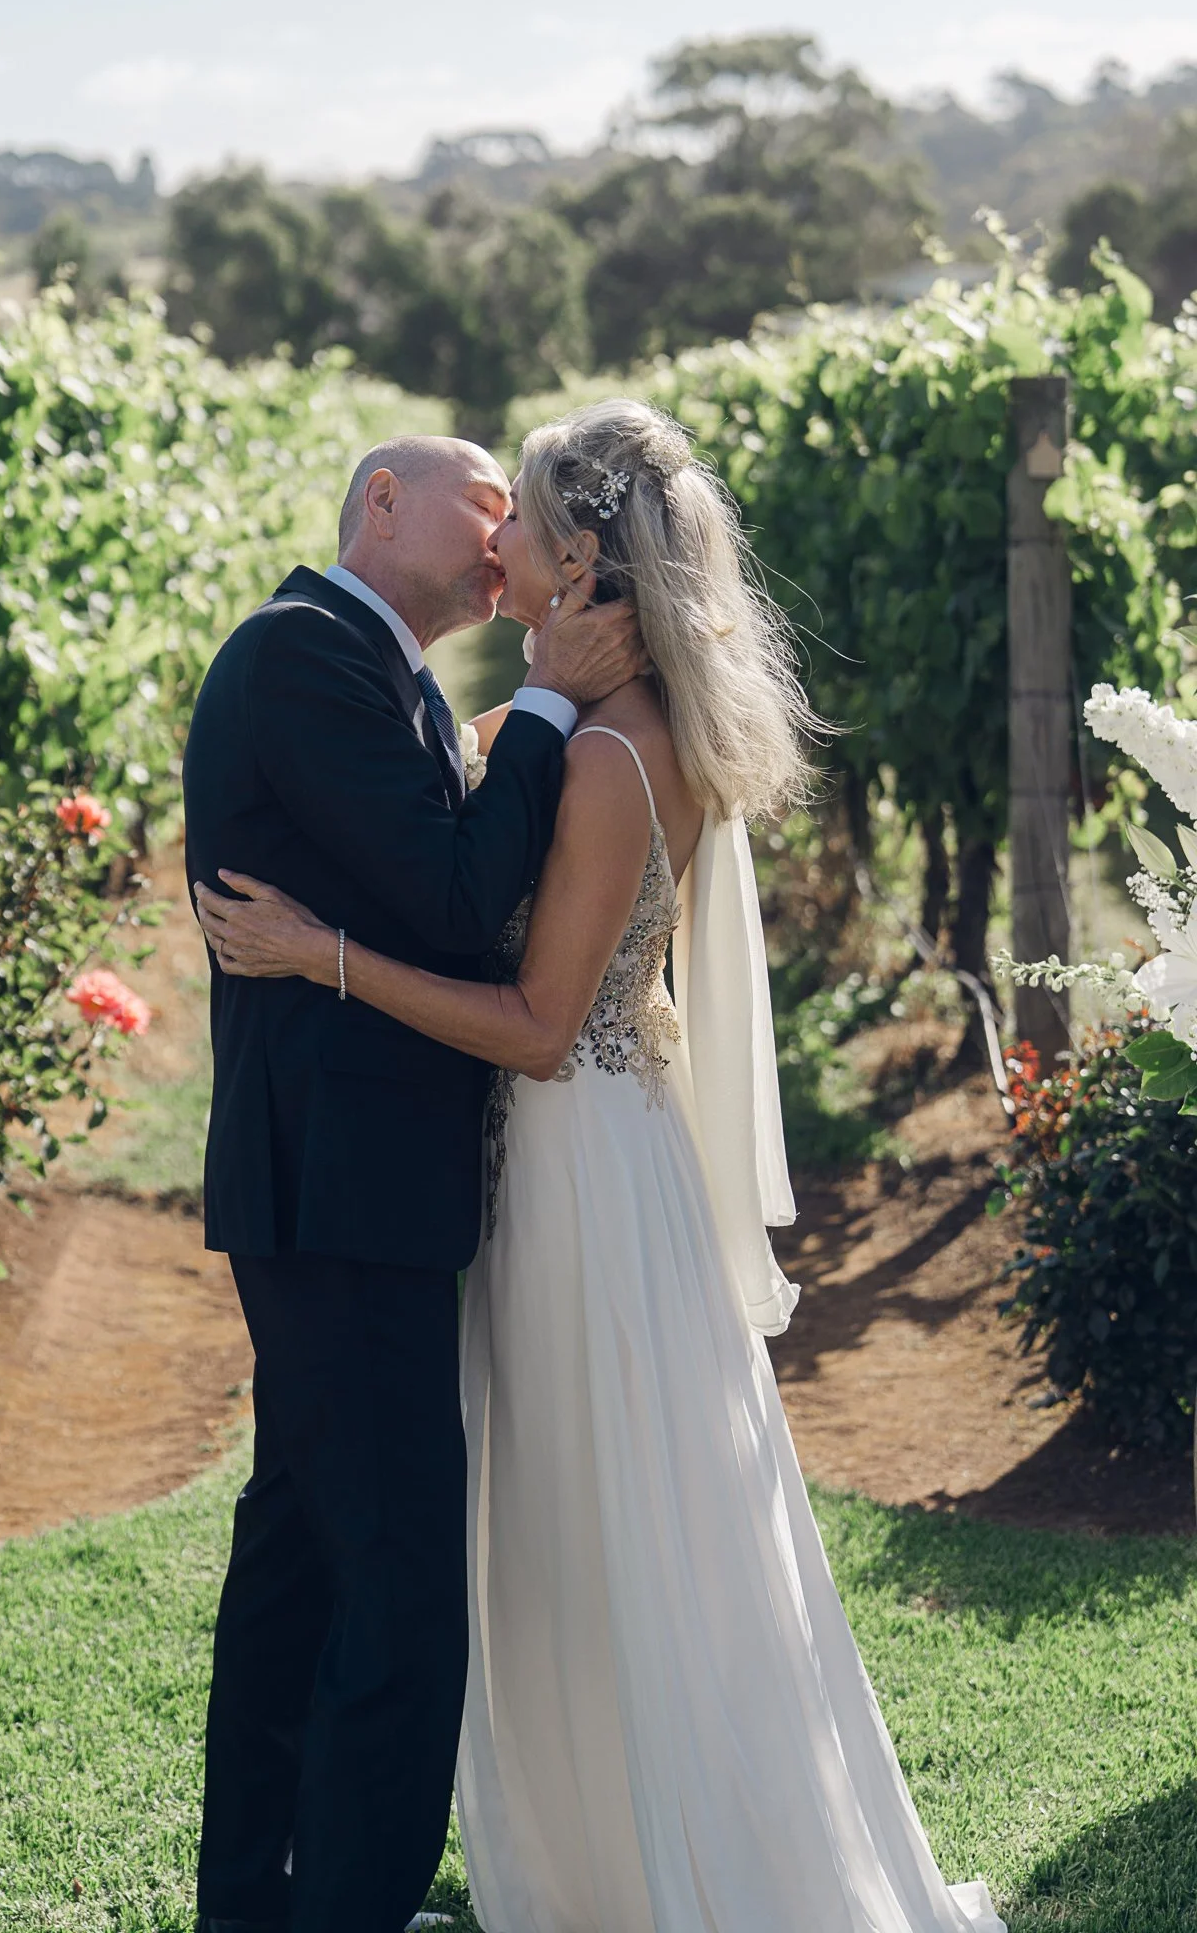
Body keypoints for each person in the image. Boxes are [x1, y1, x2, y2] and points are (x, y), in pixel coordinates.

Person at [196, 399, 1008, 1933]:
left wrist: (322, 954)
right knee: (563, 1542)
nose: (500, 544)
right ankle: (550, 1867)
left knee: (586, 1544)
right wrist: (530, 723)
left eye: (528, 524)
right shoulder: (574, 731)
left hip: (569, 1166)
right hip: (554, 1174)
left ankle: (638, 1872)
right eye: (482, 512)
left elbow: (541, 1022)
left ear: (587, 570)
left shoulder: (600, 757)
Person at [181, 432, 644, 1933]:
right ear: (386, 501)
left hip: (352, 1188)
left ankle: (264, 1900)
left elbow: (438, 859)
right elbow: (454, 897)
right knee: (394, 1594)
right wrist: (560, 699)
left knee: (308, 1556)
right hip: (339, 1196)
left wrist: (524, 714)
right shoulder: (306, 654)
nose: (510, 535)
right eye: (487, 503)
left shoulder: (380, 670)